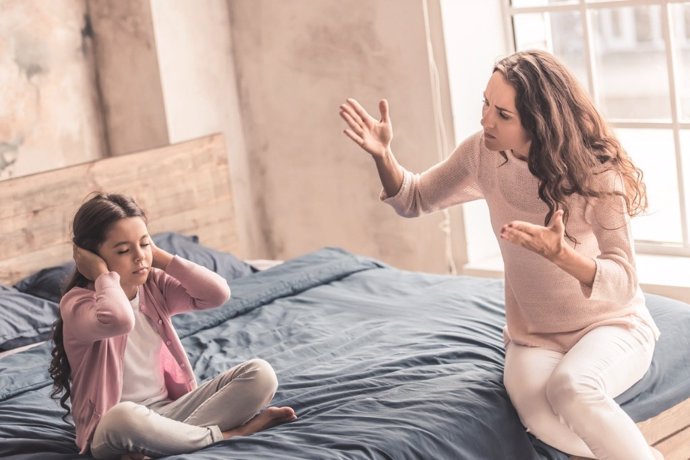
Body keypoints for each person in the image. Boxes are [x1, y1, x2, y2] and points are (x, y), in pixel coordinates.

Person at [339, 49, 662, 460]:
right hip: (534, 338)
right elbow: (414, 198)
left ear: (540, 123)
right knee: (541, 419)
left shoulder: (597, 173)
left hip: (613, 325)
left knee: (572, 388)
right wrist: (383, 156)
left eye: (503, 115)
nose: (485, 120)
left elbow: (623, 282)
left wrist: (562, 256)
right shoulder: (483, 153)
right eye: (486, 104)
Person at [49, 193, 296, 459]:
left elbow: (217, 294)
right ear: (92, 257)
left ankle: (166, 442)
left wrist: (161, 258)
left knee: (261, 373)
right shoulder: (77, 304)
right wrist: (100, 275)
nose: (139, 257)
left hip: (174, 409)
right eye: (123, 250)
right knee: (124, 416)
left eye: (144, 244)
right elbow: (120, 320)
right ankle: (226, 435)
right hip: (114, 429)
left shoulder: (154, 285)